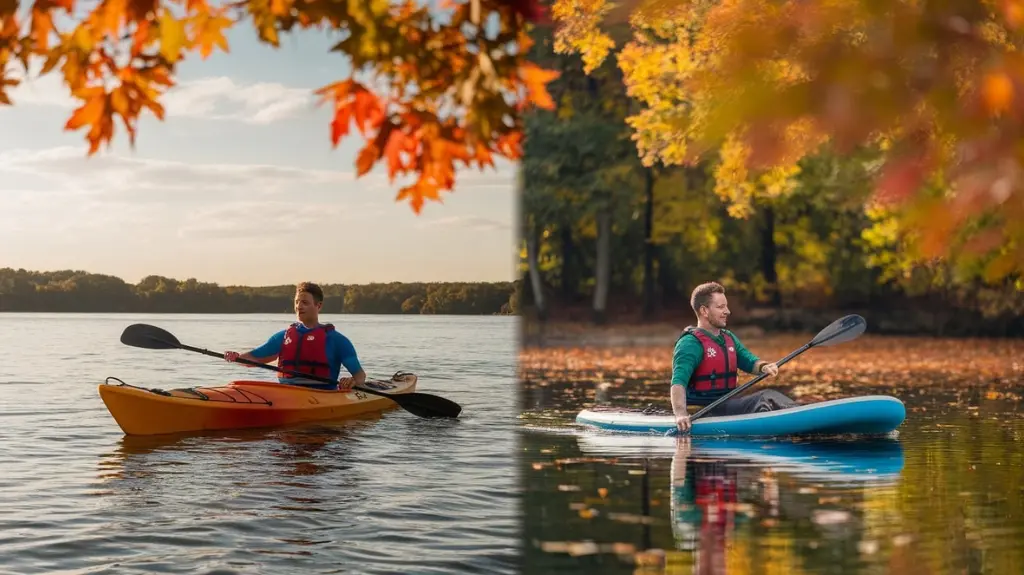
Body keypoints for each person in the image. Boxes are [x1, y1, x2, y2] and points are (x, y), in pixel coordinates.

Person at [671, 281, 798, 434]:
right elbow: (678, 382)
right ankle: (802, 419)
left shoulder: (728, 338)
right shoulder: (690, 343)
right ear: (704, 311)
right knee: (765, 398)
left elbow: (748, 360)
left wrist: (764, 366)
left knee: (769, 400)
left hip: (727, 403)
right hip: (704, 411)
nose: (727, 311)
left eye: (726, 306)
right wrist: (680, 414)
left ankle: (801, 415)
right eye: (720, 307)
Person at [223, 281, 366, 391]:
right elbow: (255, 358)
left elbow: (360, 375)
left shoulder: (336, 340)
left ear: (319, 306)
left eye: (304, 302)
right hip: (287, 392)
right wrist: (237, 357)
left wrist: (352, 381)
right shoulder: (284, 337)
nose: (299, 306)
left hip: (322, 394)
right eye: (297, 302)